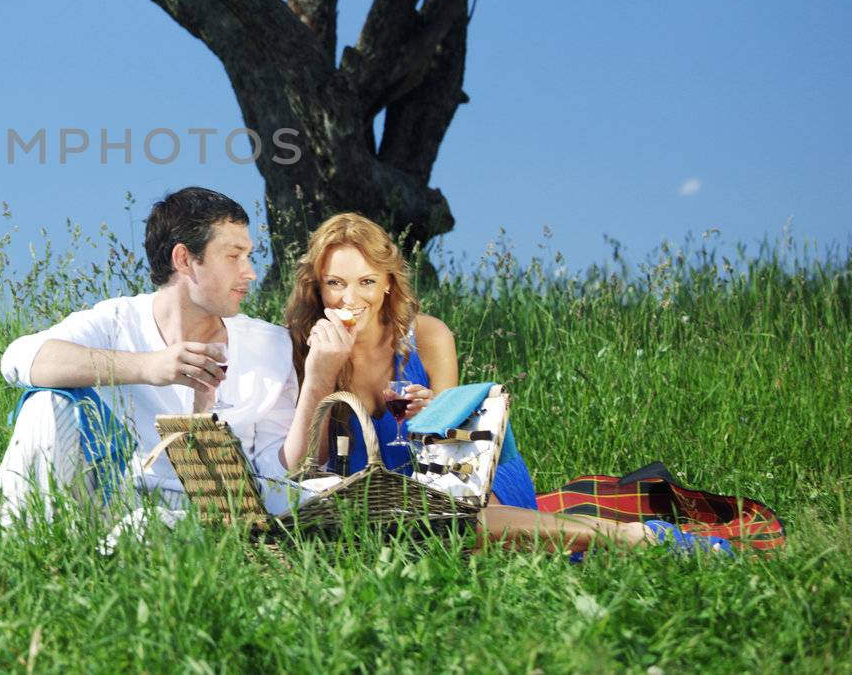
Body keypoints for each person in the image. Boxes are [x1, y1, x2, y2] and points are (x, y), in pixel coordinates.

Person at [281, 212, 723, 555]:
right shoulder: (309, 346)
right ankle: (620, 538)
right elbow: (303, 468)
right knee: (438, 535)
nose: (349, 299)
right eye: (334, 284)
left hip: (464, 481)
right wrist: (320, 370)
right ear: (316, 288)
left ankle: (630, 537)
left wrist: (433, 411)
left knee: (459, 521)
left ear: (389, 284)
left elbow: (454, 447)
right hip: (383, 504)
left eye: (366, 282)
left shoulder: (429, 338)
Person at [0, 187, 299, 540]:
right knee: (47, 402)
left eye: (248, 256)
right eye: (234, 256)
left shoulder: (271, 346)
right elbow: (20, 358)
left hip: (210, 517)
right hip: (116, 500)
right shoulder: (118, 320)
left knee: (151, 529)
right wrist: (149, 367)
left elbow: (276, 469)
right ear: (185, 260)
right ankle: (8, 557)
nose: (250, 272)